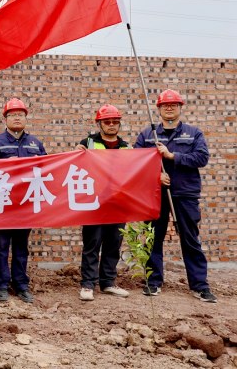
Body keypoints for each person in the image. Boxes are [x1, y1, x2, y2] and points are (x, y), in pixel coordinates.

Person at [134, 90, 216, 303]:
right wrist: (155, 175)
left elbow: (202, 157)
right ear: (159, 109)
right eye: (165, 105)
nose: (169, 108)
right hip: (156, 193)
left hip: (185, 193)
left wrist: (173, 156)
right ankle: (153, 282)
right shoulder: (147, 135)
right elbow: (135, 161)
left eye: (173, 105)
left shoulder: (193, 133)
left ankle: (200, 285)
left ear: (180, 107)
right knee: (153, 238)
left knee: (190, 239)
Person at [0, 98, 46, 303]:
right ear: (5, 119)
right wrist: (3, 164)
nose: (17, 117)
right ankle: (1, 284)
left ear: (26, 118)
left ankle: (21, 285)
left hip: (24, 204)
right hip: (2, 203)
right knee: (1, 246)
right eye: (13, 114)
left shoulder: (35, 144)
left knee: (21, 246)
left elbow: (46, 167)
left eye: (21, 114)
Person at [74, 104, 131, 301]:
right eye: (107, 122)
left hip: (117, 202)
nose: (112, 125)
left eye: (115, 122)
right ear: (99, 123)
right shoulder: (87, 143)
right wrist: (75, 153)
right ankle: (88, 284)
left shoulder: (126, 147)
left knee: (113, 243)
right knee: (92, 243)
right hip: (94, 202)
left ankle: (108, 282)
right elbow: (76, 166)